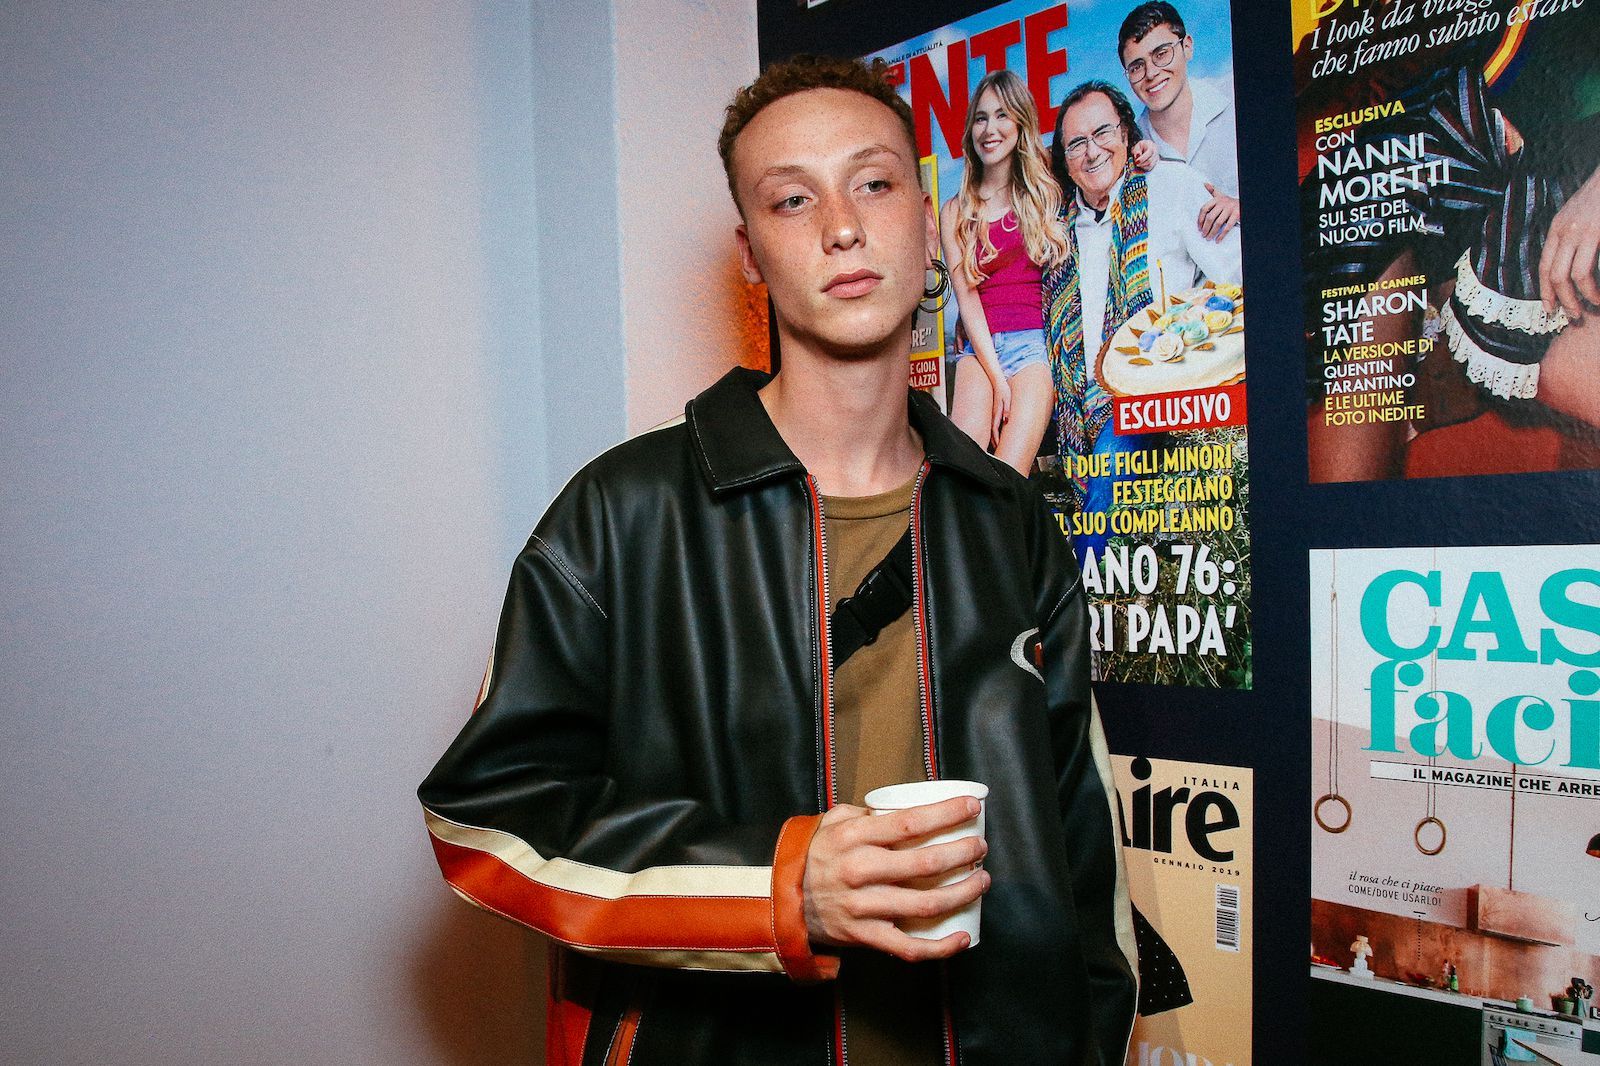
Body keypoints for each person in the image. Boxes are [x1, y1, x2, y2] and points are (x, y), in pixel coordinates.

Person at [418, 54, 1138, 1066]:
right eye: (792, 199)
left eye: (873, 183)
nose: (841, 226)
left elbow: (1083, 859)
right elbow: (484, 816)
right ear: (750, 253)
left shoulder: (1008, 520)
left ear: (926, 217)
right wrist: (779, 886)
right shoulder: (622, 514)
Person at [1043, 80, 1242, 549]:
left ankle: (1085, 587)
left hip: (1152, 397)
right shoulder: (1056, 231)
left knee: (1108, 470)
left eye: (1103, 133)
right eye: (1076, 143)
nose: (1092, 152)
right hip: (1076, 405)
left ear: (1127, 133)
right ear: (1065, 161)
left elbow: (1234, 279)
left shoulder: (1172, 186)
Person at [939, 70, 1071, 475]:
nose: (990, 129)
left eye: (1001, 115)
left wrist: (1142, 151)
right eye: (981, 118)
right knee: (963, 472)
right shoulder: (954, 210)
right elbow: (967, 300)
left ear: (1019, 122)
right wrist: (997, 379)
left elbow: (1105, 166)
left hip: (1034, 347)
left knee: (1010, 475)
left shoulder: (1045, 190)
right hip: (979, 351)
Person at [1118, 1, 1240, 241]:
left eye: (1161, 54)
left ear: (1187, 47)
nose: (1151, 73)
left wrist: (1243, 205)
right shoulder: (1128, 151)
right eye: (1137, 67)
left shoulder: (1237, 97)